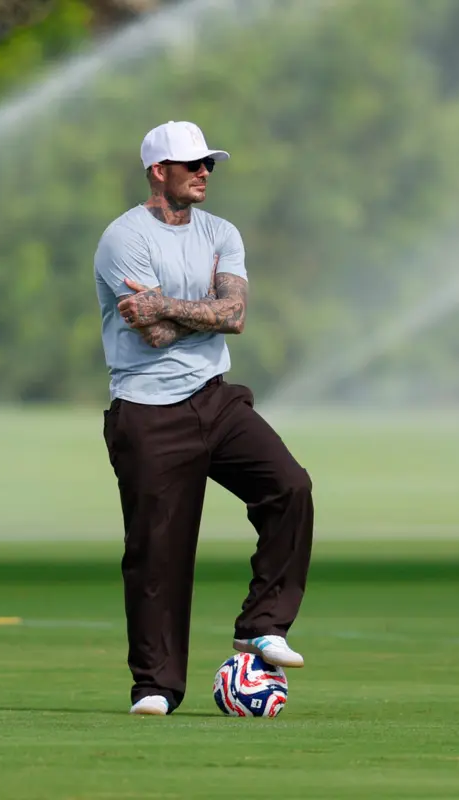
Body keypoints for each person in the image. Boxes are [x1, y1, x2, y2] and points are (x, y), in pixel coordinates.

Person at [94, 120, 314, 716]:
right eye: (192, 164)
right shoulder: (123, 238)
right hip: (146, 408)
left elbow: (233, 315)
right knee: (157, 552)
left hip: (216, 398)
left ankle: (261, 625)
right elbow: (153, 334)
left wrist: (168, 303)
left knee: (289, 487)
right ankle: (157, 688)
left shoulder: (222, 232)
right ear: (158, 171)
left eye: (209, 163)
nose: (204, 172)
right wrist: (200, 311)